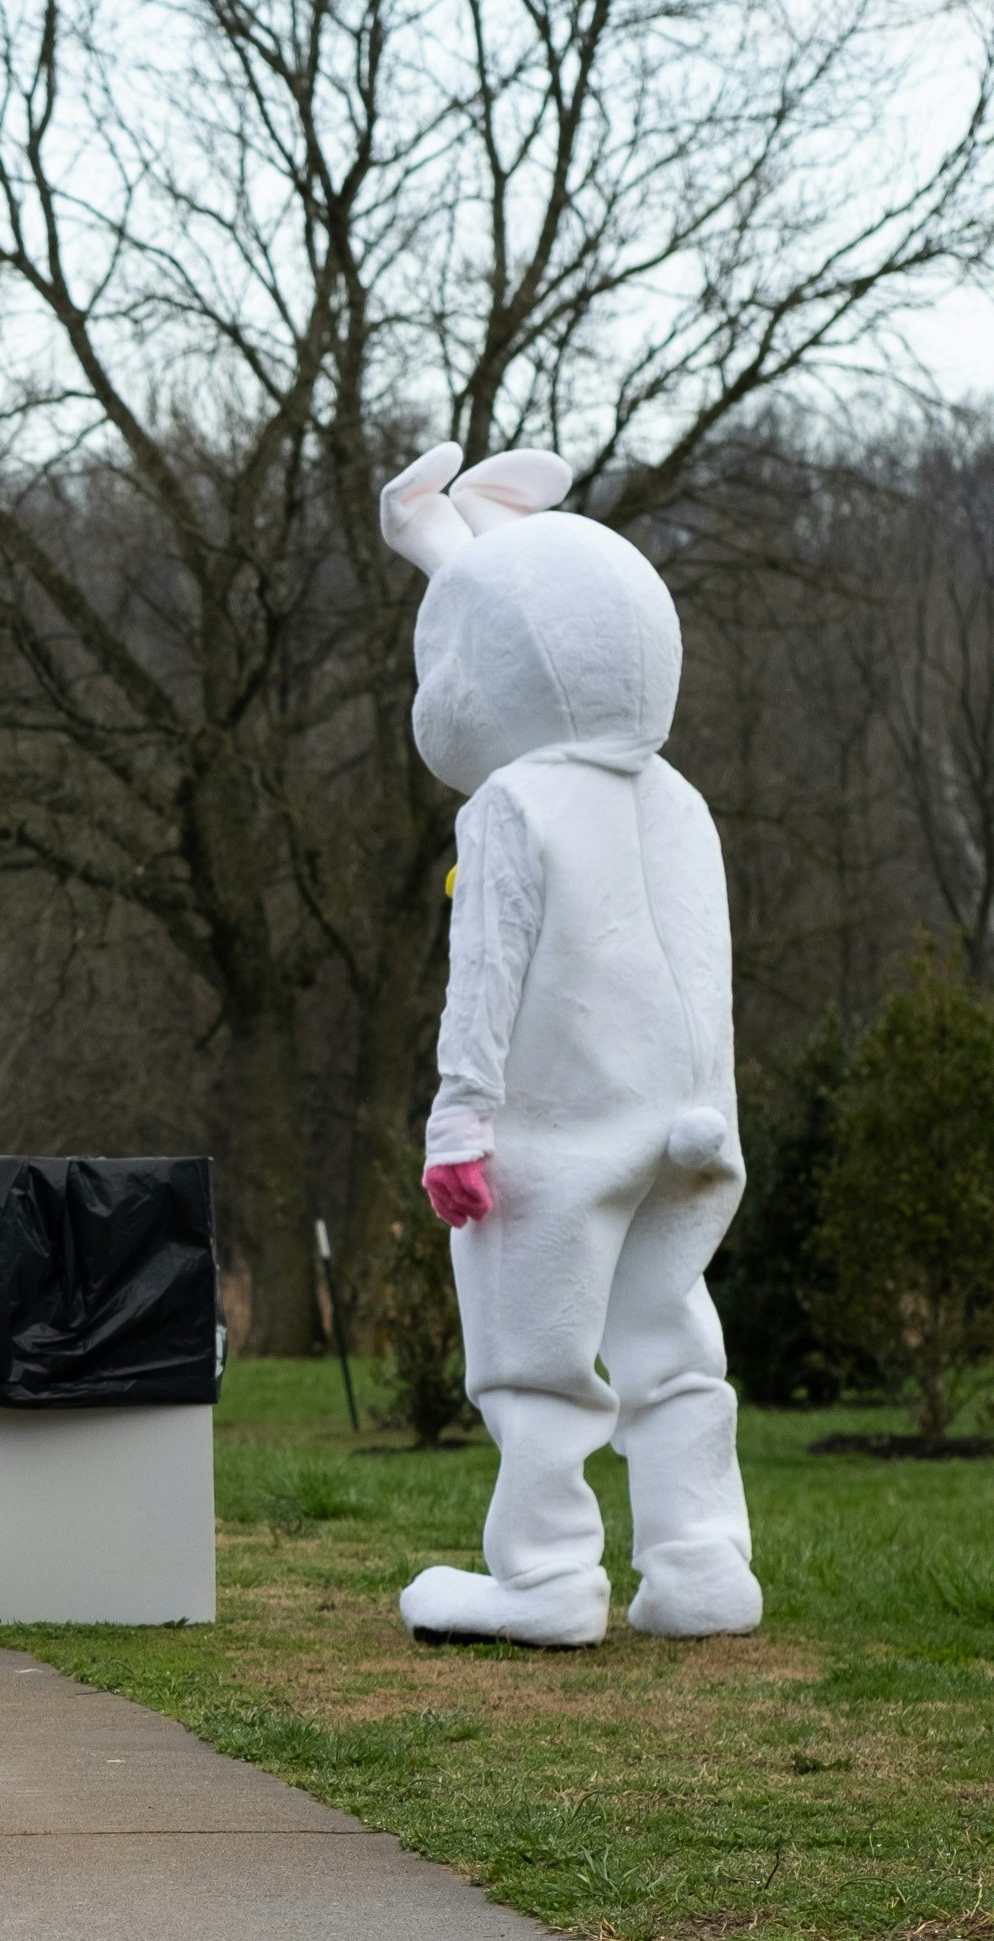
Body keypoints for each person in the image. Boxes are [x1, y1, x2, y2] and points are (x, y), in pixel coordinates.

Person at [380, 443, 757, 1647]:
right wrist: (708, 1120)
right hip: (682, 1122)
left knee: (533, 1352)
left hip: (553, 1130)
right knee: (672, 1342)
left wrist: (459, 1119)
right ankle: (702, 1563)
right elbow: (705, 967)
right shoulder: (678, 799)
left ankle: (544, 1573)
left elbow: (484, 976)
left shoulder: (512, 804)